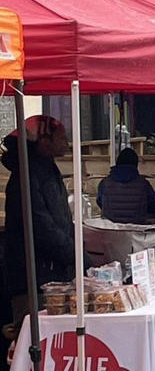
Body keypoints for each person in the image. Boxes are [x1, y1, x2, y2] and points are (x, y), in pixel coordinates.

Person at [1, 116, 84, 334]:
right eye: (61, 137)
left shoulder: (45, 170)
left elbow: (59, 221)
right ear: (44, 142)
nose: (66, 142)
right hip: (34, 281)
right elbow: (42, 228)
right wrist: (77, 256)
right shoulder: (26, 177)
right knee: (36, 342)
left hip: (51, 276)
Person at [97, 148, 155, 224]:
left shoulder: (105, 183)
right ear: (135, 165)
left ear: (117, 163)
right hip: (136, 231)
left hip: (110, 230)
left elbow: (100, 202)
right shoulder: (143, 184)